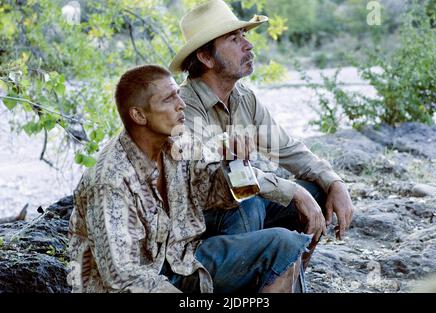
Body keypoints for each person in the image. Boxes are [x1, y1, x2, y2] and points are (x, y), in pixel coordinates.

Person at [67, 64, 316, 293]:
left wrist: (234, 163)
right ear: (139, 116)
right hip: (139, 285)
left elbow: (220, 196)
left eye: (178, 94)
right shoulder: (111, 180)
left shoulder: (179, 143)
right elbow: (124, 278)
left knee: (284, 245)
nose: (181, 104)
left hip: (182, 261)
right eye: (168, 99)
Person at [169, 0, 354, 268]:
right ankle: (242, 284)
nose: (248, 45)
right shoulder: (183, 106)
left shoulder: (246, 98)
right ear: (206, 57)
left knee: (317, 191)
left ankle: (288, 278)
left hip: (241, 209)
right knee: (248, 202)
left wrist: (334, 182)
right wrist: (291, 191)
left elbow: (288, 150)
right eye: (234, 39)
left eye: (244, 35)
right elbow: (219, 176)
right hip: (200, 227)